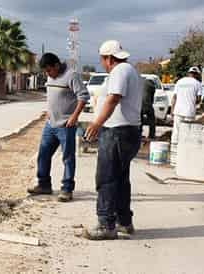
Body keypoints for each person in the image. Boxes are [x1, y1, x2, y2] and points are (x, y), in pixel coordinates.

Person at [83, 40, 143, 240]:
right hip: (128, 131)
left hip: (117, 131)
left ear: (108, 58)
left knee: (107, 178)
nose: (102, 63)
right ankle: (124, 221)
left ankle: (106, 224)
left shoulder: (119, 71)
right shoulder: (130, 70)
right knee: (120, 179)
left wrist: (97, 123)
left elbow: (113, 98)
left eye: (102, 60)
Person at [27, 53, 90, 202]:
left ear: (56, 65)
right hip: (50, 124)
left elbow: (83, 97)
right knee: (43, 154)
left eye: (49, 70)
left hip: (66, 125)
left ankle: (67, 189)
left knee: (67, 157)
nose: (47, 74)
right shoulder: (50, 76)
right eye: (45, 71)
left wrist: (74, 117)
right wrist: (49, 112)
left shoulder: (71, 75)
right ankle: (43, 184)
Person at [170, 66, 202, 151]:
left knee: (176, 131)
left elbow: (174, 97)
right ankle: (185, 150)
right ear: (197, 74)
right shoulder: (197, 83)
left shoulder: (179, 82)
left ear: (188, 73)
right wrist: (193, 102)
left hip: (178, 110)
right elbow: (198, 99)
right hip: (189, 112)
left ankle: (174, 150)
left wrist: (172, 110)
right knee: (188, 131)